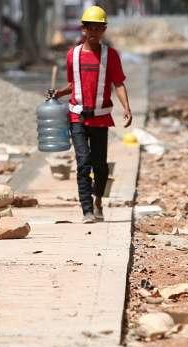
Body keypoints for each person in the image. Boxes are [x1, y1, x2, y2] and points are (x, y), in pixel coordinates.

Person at [52, 5, 132, 224]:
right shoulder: (73, 55)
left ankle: (98, 201)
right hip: (77, 116)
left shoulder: (111, 55)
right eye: (91, 28)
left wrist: (126, 108)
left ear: (104, 29)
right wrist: (59, 93)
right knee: (83, 162)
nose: (95, 32)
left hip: (100, 118)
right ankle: (87, 210)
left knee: (100, 165)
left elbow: (119, 84)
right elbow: (73, 84)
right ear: (83, 29)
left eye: (100, 28)